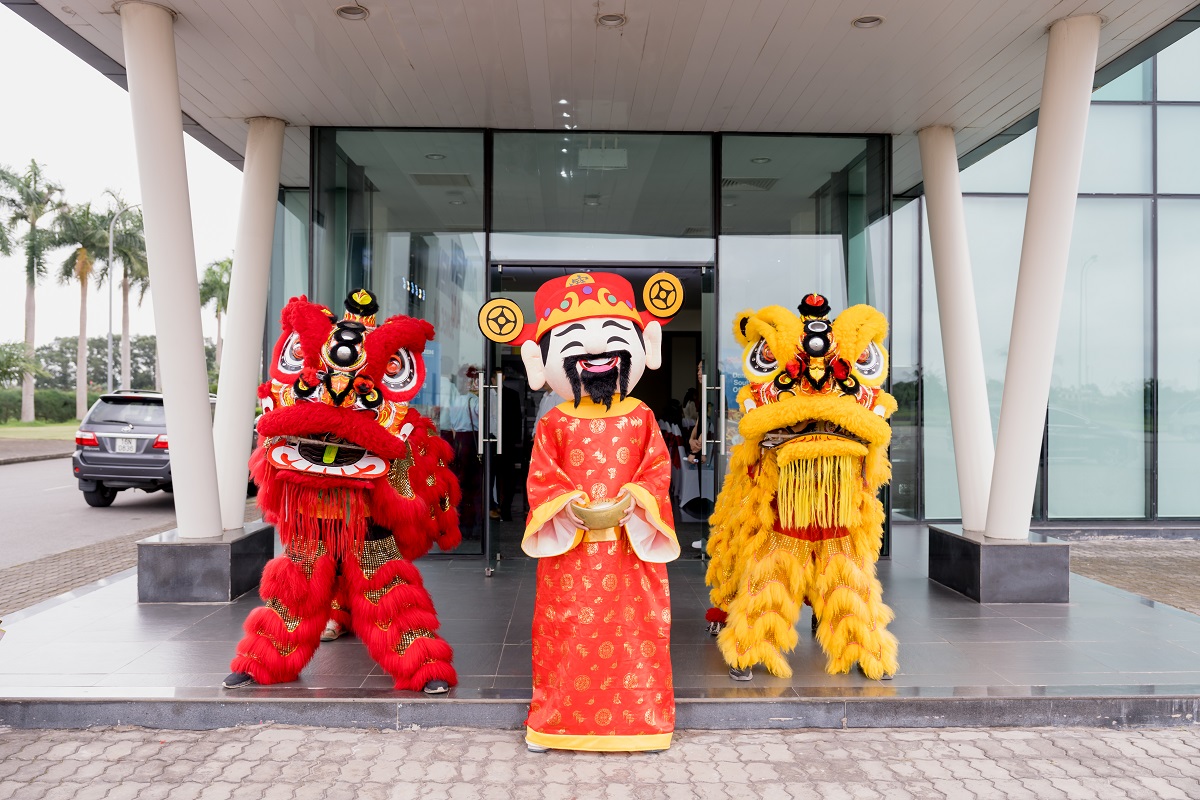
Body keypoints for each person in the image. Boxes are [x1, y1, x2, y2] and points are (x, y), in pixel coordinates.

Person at [478, 271, 683, 753]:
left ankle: (642, 722)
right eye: (575, 343)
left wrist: (634, 499)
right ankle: (555, 722)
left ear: (642, 346)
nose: (595, 355)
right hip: (572, 554)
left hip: (632, 550)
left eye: (612, 338)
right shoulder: (553, 422)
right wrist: (569, 507)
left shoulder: (642, 416)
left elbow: (657, 469)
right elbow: (541, 478)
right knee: (567, 635)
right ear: (541, 361)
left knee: (637, 634)